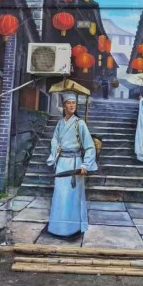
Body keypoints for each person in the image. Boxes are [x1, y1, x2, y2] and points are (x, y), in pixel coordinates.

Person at [47, 92, 98, 237]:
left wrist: (85, 165)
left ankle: (72, 229)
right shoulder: (60, 123)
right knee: (60, 195)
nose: (71, 106)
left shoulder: (79, 123)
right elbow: (54, 140)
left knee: (72, 197)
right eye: (69, 103)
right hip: (62, 163)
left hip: (75, 164)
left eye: (74, 103)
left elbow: (89, 146)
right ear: (64, 105)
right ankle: (57, 228)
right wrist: (56, 147)